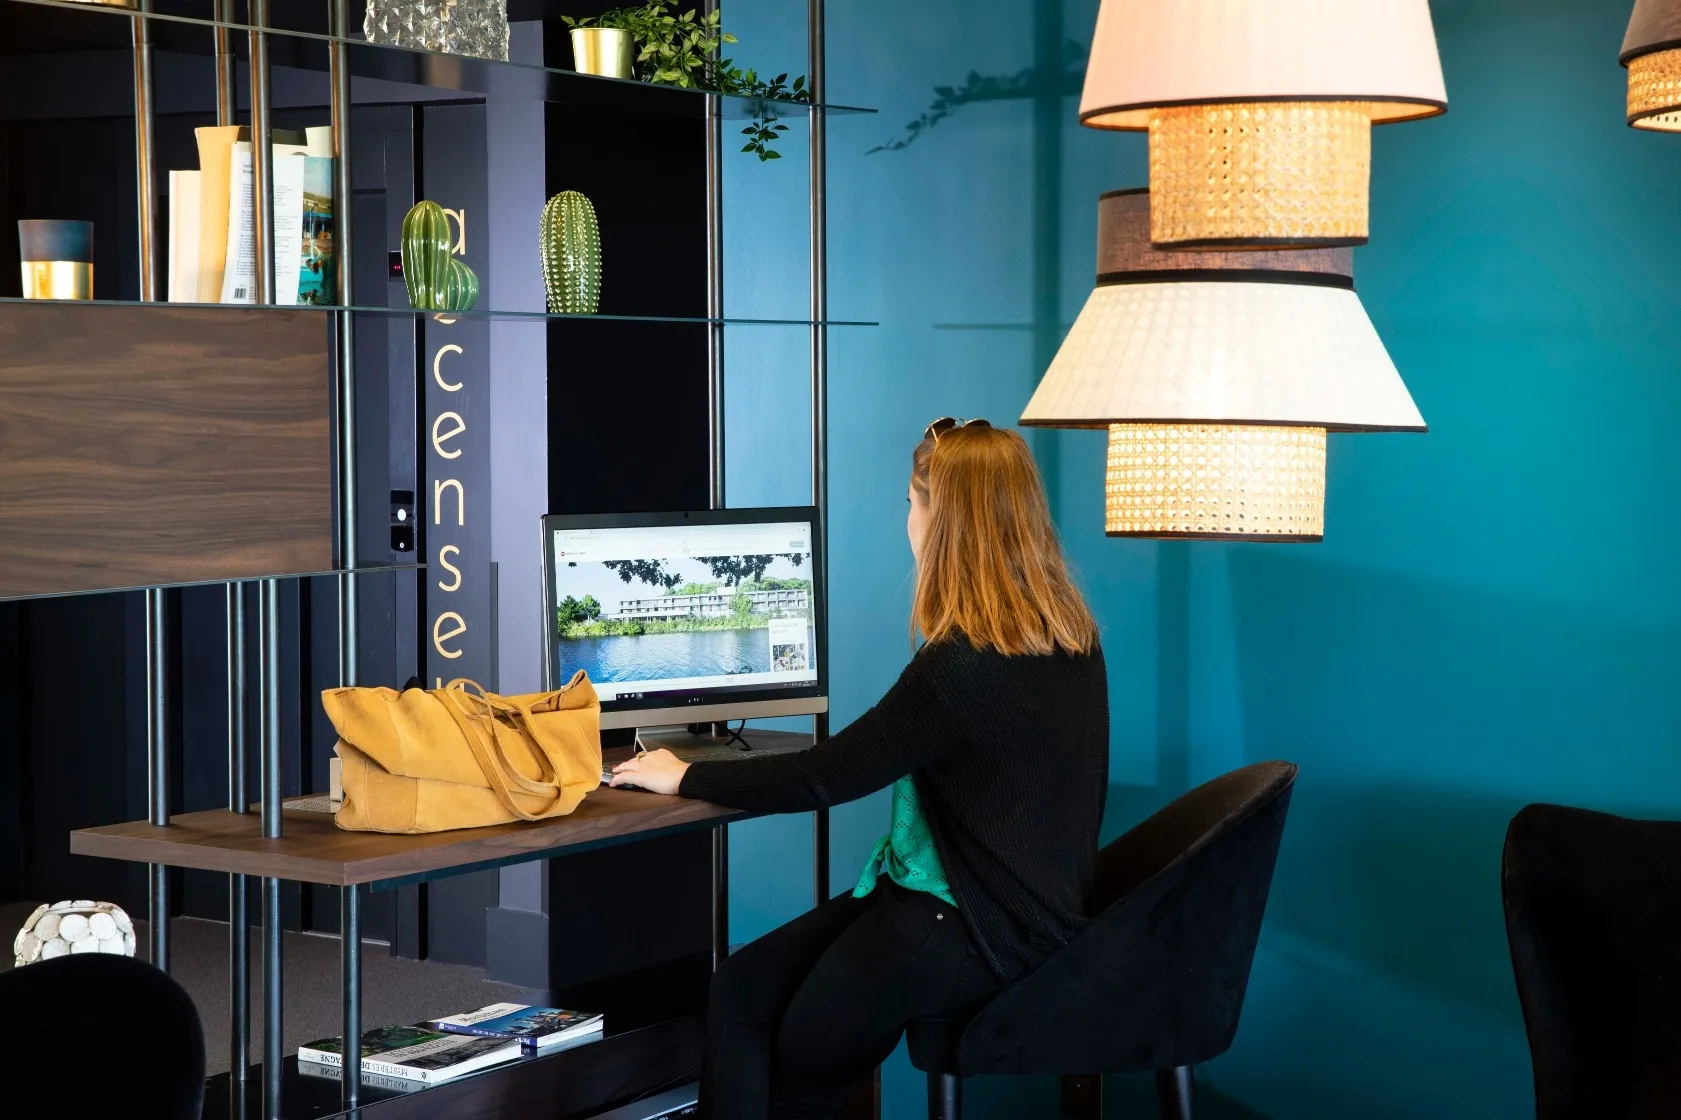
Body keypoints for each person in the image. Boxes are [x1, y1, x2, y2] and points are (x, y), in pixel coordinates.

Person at [609, 419, 1110, 1120]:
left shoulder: (962, 665)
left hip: (967, 925)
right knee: (743, 989)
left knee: (798, 1077)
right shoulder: (1065, 633)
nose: (905, 516)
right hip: (999, 910)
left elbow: (826, 776)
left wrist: (685, 775)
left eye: (912, 501)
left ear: (945, 521)